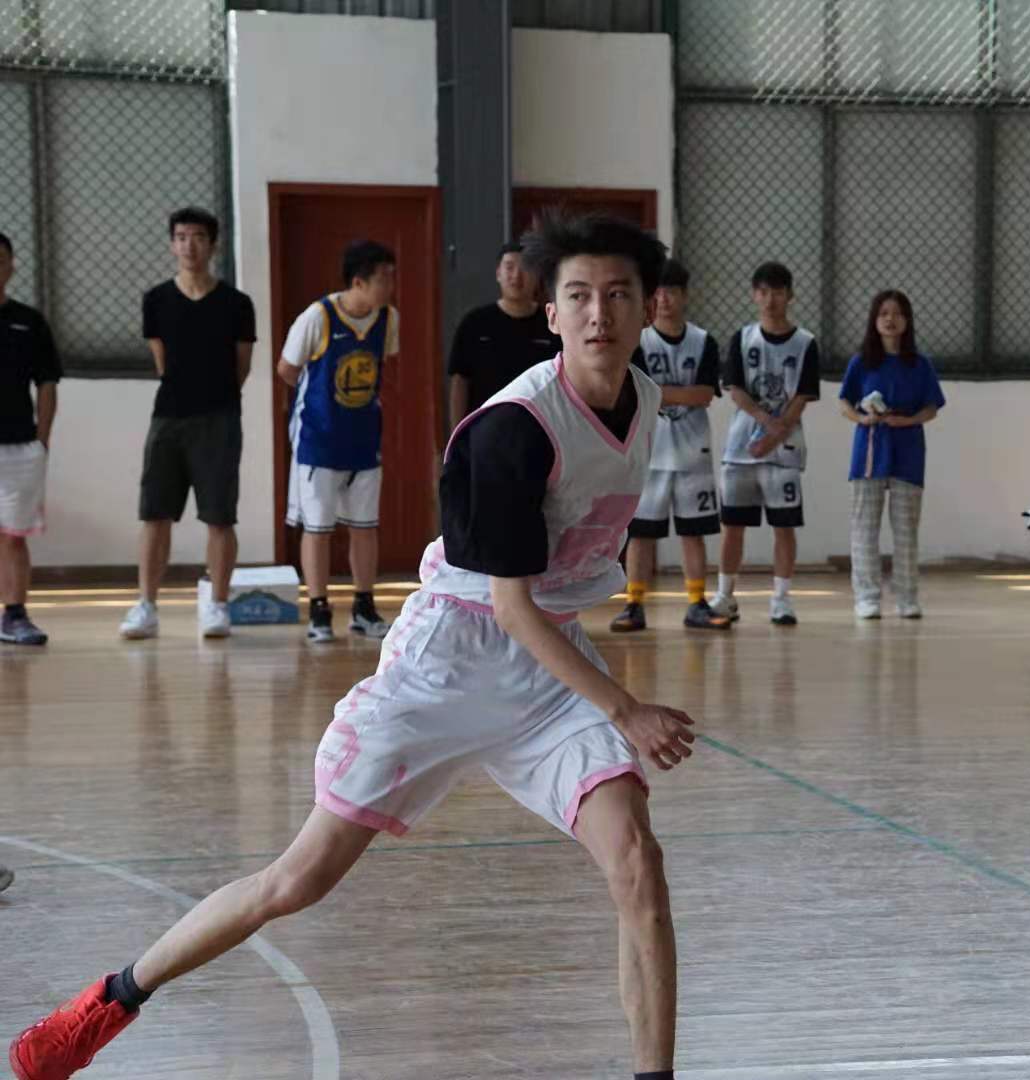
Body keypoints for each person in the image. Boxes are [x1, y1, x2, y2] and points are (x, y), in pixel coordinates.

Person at [8, 213, 696, 1080]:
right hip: (449, 664)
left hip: (547, 672)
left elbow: (549, 602)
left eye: (620, 295)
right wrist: (626, 710)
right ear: (551, 313)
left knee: (637, 863)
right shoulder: (515, 429)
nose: (601, 313)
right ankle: (109, 999)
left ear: (648, 307)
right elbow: (510, 607)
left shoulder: (645, 400)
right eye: (580, 296)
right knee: (295, 882)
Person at [120, 208, 256, 641]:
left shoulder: (236, 304)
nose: (189, 245)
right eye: (180, 237)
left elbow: (241, 367)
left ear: (213, 244)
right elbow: (163, 362)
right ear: (172, 244)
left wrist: (214, 396)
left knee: (219, 516)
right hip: (168, 418)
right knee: (154, 514)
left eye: (197, 237)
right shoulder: (156, 300)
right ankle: (146, 606)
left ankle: (218, 605)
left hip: (219, 418)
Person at [278, 240, 398, 643]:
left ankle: (364, 607)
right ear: (359, 282)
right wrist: (317, 402)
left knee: (365, 526)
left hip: (364, 439)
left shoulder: (388, 319)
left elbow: (382, 366)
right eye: (384, 278)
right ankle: (318, 609)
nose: (391, 286)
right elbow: (286, 368)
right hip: (318, 440)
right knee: (318, 527)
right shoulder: (318, 317)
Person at [612, 257, 731, 632]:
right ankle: (634, 604)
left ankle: (697, 602)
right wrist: (677, 393)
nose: (664, 299)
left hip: (693, 453)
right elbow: (636, 391)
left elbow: (704, 394)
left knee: (694, 532)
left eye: (673, 292)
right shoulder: (639, 339)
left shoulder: (703, 341)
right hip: (649, 453)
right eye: (659, 292)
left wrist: (660, 392)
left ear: (685, 296)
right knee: (641, 534)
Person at [713, 261, 820, 626]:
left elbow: (802, 396)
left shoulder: (805, 343)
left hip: (784, 451)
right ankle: (725, 595)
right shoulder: (743, 339)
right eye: (763, 291)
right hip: (741, 449)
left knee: (783, 526)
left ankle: (782, 599)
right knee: (732, 526)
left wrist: (774, 436)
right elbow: (736, 390)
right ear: (754, 295)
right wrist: (763, 422)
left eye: (777, 291)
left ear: (790, 295)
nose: (770, 299)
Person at [836, 289, 945, 619]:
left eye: (897, 313)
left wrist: (908, 420)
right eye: (883, 313)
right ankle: (867, 597)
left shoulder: (920, 364)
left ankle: (907, 597)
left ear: (907, 320)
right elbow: (844, 402)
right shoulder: (861, 362)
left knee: (906, 530)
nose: (890, 319)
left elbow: (931, 407)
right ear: (874, 320)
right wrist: (862, 419)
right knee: (864, 529)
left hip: (908, 449)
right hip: (870, 450)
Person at [0, 231, 60, 646]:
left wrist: (42, 440)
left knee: (13, 534)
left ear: (11, 266)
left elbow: (48, 383)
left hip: (20, 446)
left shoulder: (29, 321)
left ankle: (15, 615)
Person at [447, 241, 561, 428]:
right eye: (509, 267)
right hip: (483, 428)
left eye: (525, 268)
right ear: (498, 273)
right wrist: (457, 432)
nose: (516, 275)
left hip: (539, 428)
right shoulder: (475, 323)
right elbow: (460, 382)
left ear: (537, 276)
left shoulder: (553, 324)